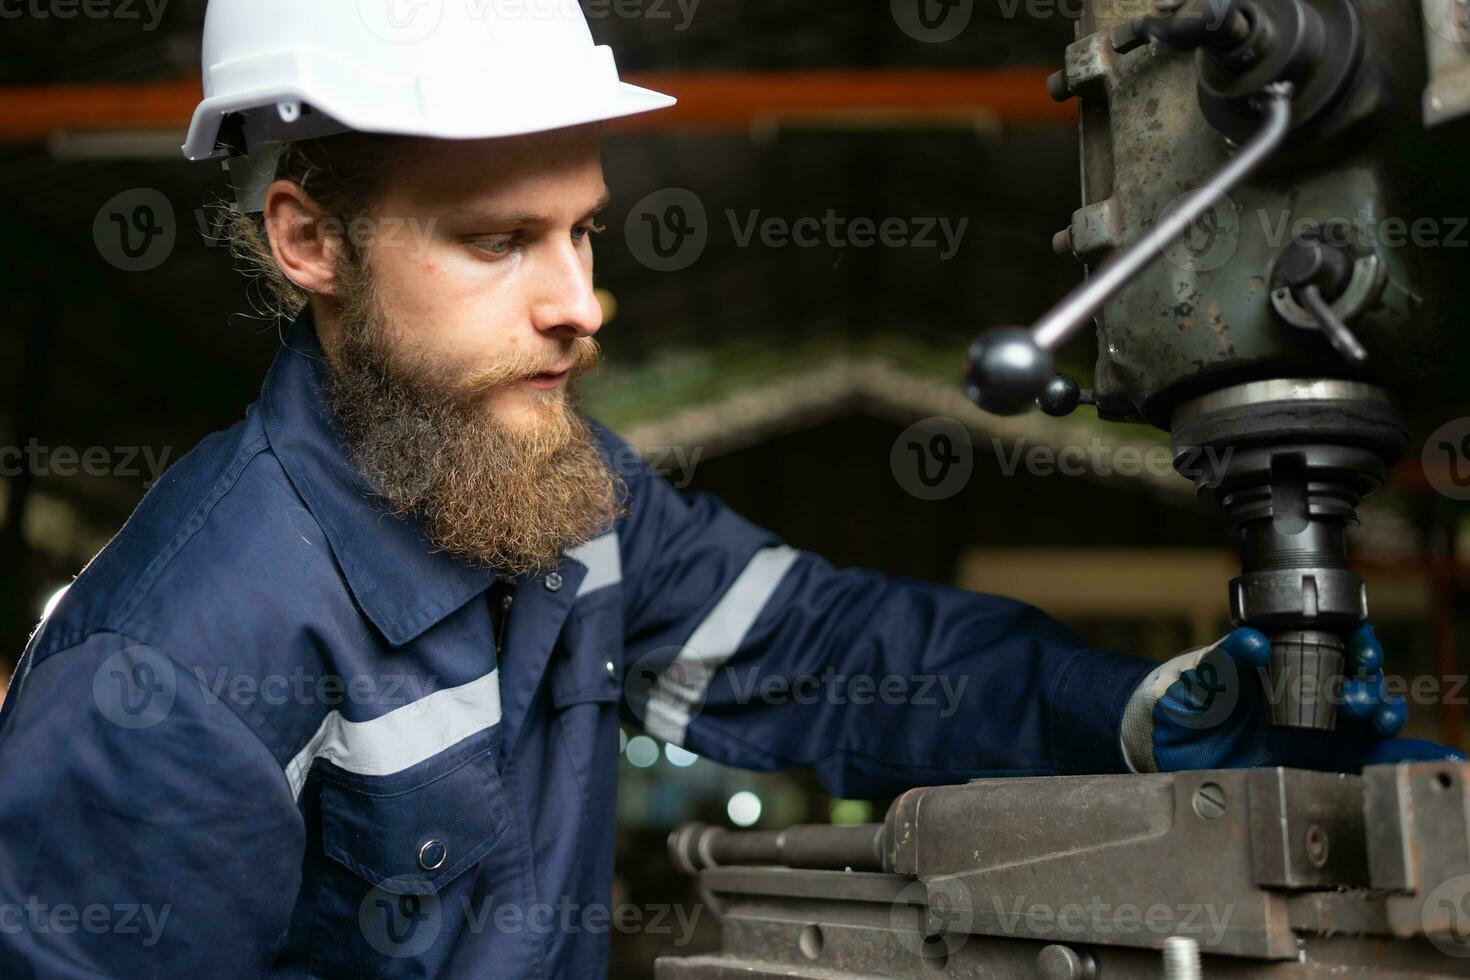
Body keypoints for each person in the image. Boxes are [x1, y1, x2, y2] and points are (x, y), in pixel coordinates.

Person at [0, 1, 1456, 976]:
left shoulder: (557, 502)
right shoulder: (172, 668)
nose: (583, 304)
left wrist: (1134, 716)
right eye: (499, 242)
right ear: (308, 239)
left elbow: (827, 656)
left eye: (582, 233)